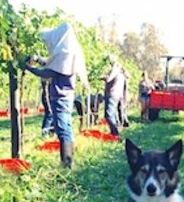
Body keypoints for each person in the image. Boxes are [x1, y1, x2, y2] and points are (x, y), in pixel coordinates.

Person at [25, 22, 89, 168]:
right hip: (66, 96)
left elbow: (47, 73)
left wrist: (28, 68)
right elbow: (51, 64)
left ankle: (66, 163)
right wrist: (38, 59)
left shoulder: (64, 54)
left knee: (62, 129)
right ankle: (69, 160)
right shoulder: (68, 52)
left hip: (60, 98)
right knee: (66, 127)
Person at [102, 55, 126, 137]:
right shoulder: (120, 73)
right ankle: (114, 132)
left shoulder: (115, 70)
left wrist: (101, 77)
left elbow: (108, 79)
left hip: (112, 94)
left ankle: (115, 133)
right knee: (110, 114)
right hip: (115, 95)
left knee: (109, 114)